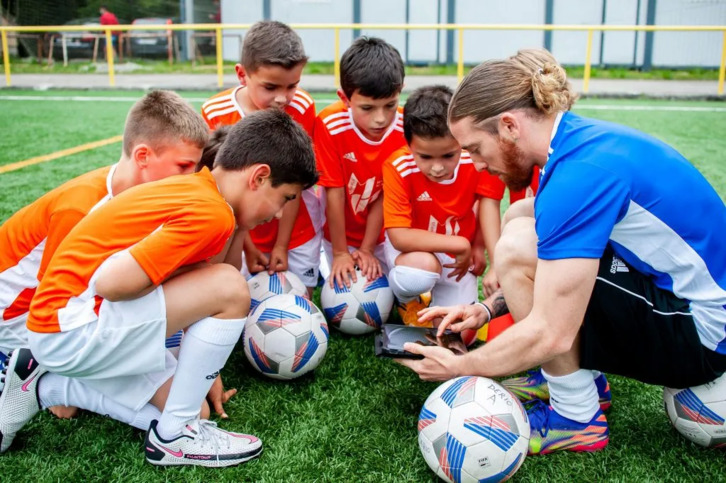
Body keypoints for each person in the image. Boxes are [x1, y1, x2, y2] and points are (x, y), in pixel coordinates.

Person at [396, 49, 726, 455]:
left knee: (517, 248)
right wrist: (486, 310)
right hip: (681, 303)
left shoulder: (580, 177)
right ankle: (574, 378)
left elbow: (552, 332)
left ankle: (577, 417)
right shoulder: (577, 143)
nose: (476, 165)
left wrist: (459, 366)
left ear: (509, 126)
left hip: (703, 336)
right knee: (519, 213)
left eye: (476, 148)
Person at [0, 110, 318, 467]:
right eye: (287, 198)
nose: (278, 214)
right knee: (230, 287)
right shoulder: (211, 212)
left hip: (57, 327)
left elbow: (199, 283)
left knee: (195, 406)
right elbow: (113, 283)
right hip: (72, 326)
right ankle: (175, 435)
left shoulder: (202, 192)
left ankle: (45, 386)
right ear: (259, 176)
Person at [0, 90, 208, 419]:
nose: (191, 180)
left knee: (193, 406)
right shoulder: (81, 207)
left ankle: (55, 378)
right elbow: (52, 303)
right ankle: (43, 379)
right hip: (21, 316)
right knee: (190, 411)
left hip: (74, 306)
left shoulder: (146, 198)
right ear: (142, 157)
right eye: (184, 167)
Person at [201, 21, 320, 297]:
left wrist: (282, 244)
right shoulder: (216, 111)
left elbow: (296, 185)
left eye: (292, 86)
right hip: (237, 234)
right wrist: (247, 245)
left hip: (295, 230)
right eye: (270, 87)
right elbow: (219, 191)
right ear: (242, 74)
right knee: (236, 298)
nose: (283, 98)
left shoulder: (302, 106)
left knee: (302, 300)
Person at [381, 85, 501, 344]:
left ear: (461, 141)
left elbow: (487, 203)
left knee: (463, 336)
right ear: (409, 144)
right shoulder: (397, 166)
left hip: (458, 258)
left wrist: (479, 247)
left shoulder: (476, 160)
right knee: (421, 271)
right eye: (424, 156)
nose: (437, 167)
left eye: (449, 155)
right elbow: (399, 236)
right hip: (412, 253)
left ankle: (433, 300)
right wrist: (459, 243)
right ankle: (408, 299)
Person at [315, 36, 406, 290]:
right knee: (341, 286)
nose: (381, 118)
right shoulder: (330, 124)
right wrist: (342, 253)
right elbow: (335, 192)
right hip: (337, 233)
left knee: (399, 290)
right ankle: (325, 257)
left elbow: (386, 194)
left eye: (390, 105)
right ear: (345, 98)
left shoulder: (404, 126)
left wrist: (367, 249)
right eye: (367, 108)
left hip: (383, 234)